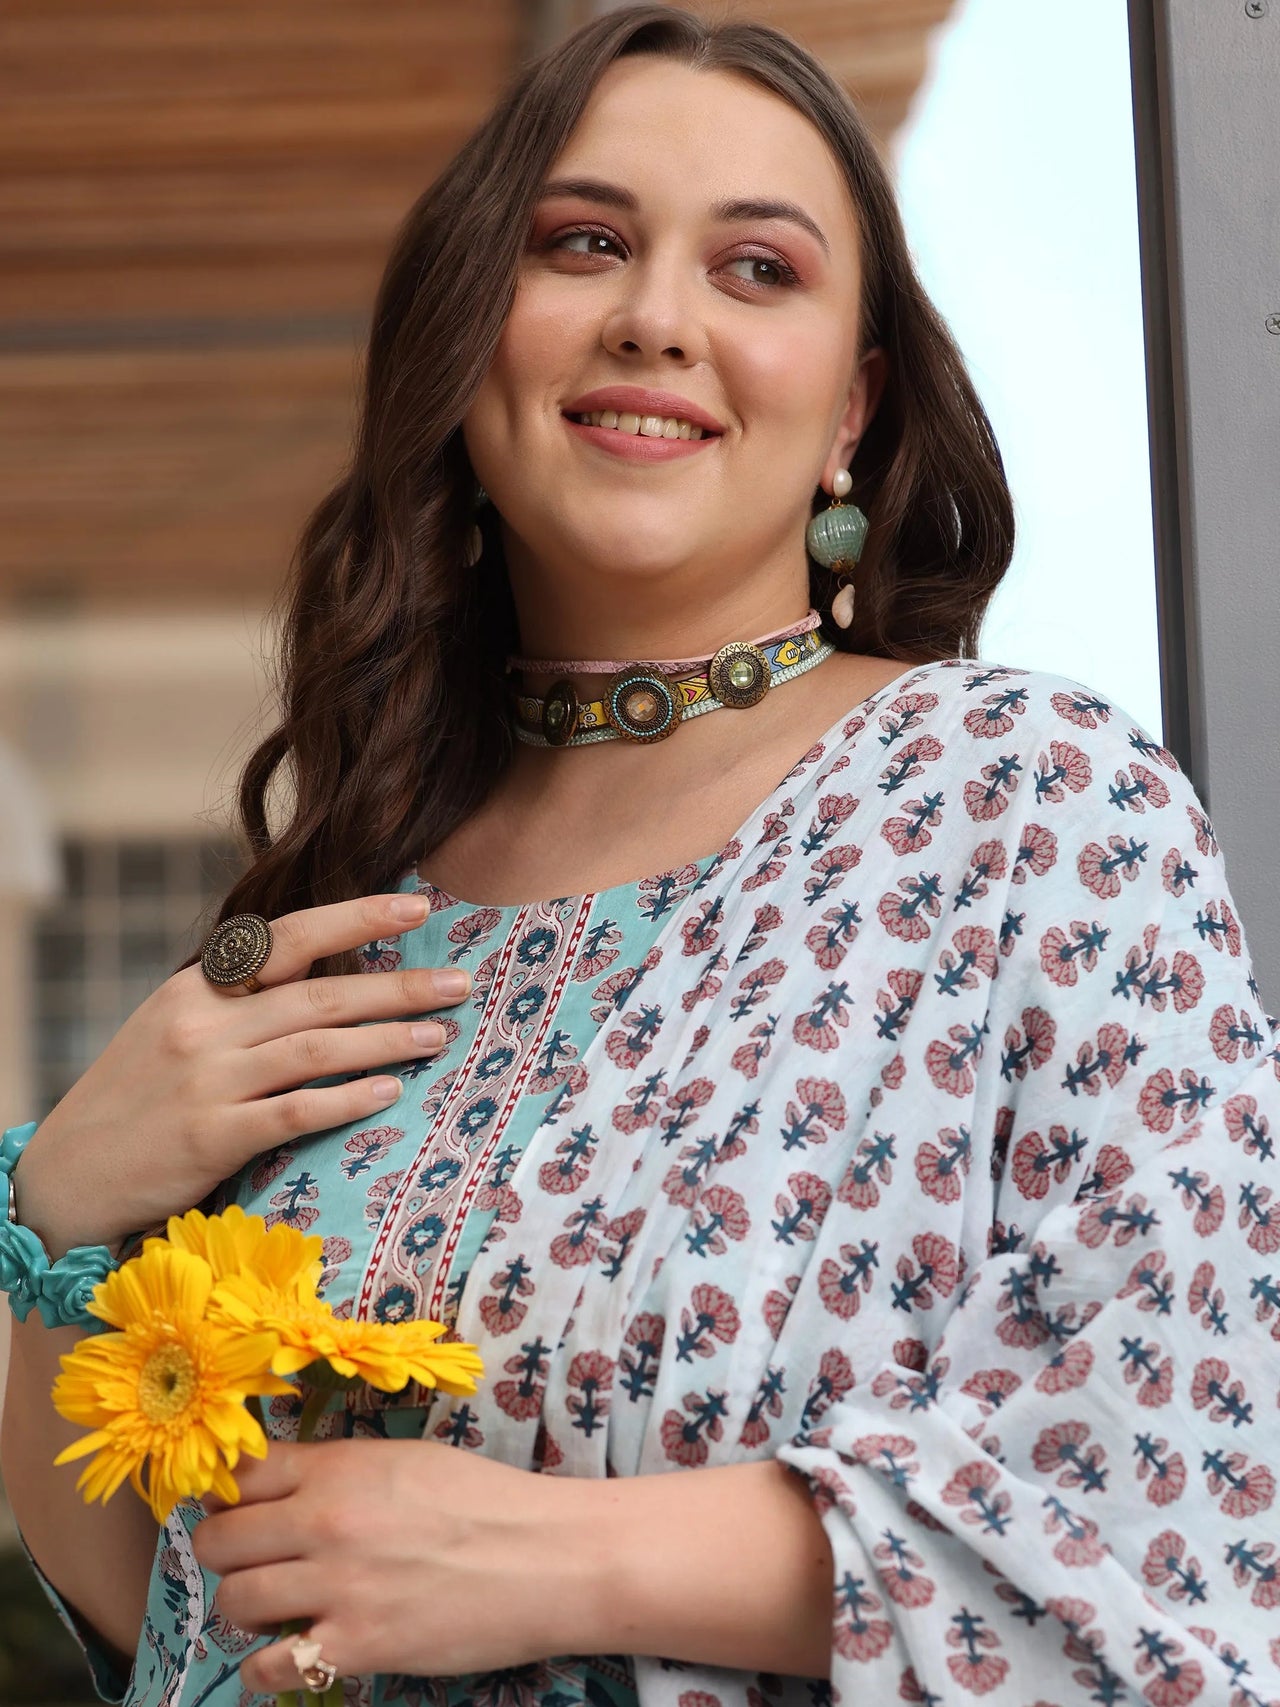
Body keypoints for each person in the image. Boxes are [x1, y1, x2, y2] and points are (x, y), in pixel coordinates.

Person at [3, 6, 1277, 1704]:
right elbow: (152, 1602)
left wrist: (559, 1560)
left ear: (853, 409)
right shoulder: (364, 889)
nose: (657, 319)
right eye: (584, 244)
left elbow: (1192, 1511)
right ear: (474, 339)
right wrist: (60, 1215)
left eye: (757, 269)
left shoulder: (1028, 805)